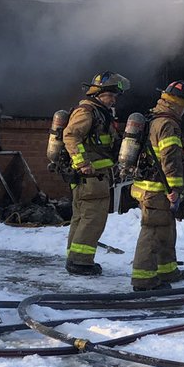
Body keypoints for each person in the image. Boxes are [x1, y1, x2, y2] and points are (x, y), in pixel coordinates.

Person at [129, 80, 184, 291]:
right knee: (153, 230)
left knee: (166, 228)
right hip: (157, 189)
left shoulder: (154, 119)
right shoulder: (168, 124)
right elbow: (170, 159)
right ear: (180, 103)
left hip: (149, 186)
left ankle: (167, 270)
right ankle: (144, 279)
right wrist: (175, 190)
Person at [63, 71, 129, 277]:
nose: (113, 100)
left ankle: (74, 258)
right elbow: (71, 136)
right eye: (110, 95)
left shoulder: (99, 112)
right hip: (91, 177)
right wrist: (82, 163)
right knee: (93, 218)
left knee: (82, 217)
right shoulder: (87, 112)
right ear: (99, 94)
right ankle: (81, 262)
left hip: (94, 176)